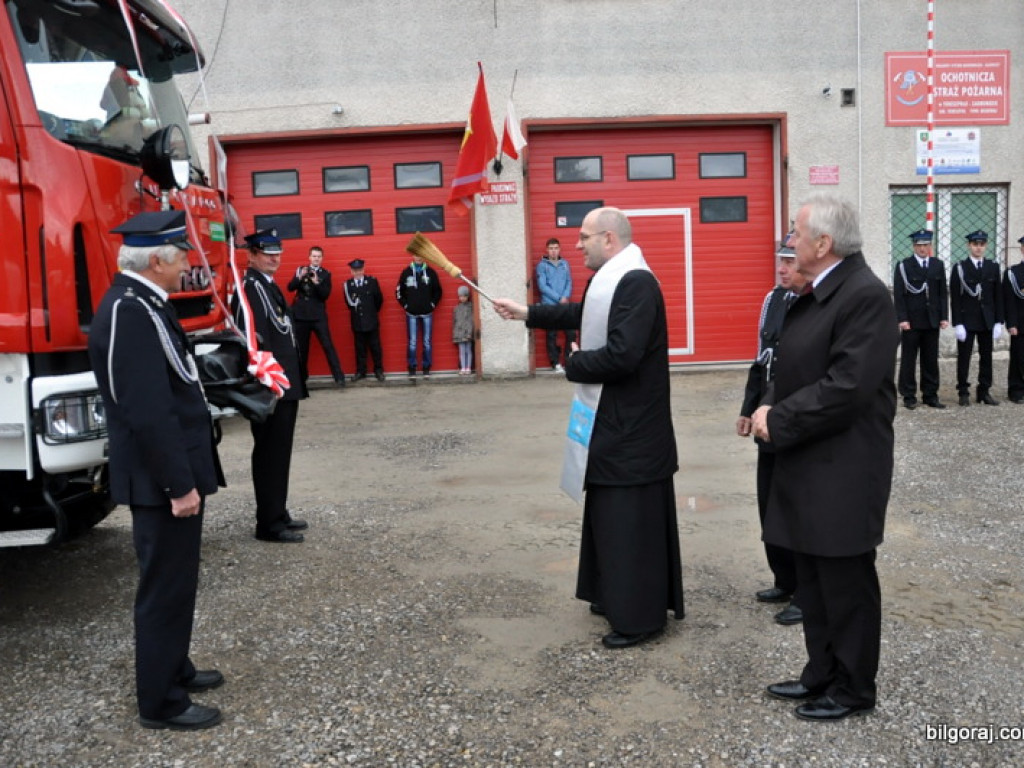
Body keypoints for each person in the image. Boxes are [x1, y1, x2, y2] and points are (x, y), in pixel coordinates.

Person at [493, 206, 684, 649]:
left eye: (583, 237)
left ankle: (639, 617)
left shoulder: (636, 282)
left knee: (630, 522)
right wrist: (526, 313)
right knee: (608, 516)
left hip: (633, 431)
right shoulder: (612, 276)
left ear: (609, 240)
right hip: (612, 424)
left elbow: (623, 354)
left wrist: (574, 362)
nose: (576, 245)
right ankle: (613, 594)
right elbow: (583, 313)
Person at [751, 193, 898, 722]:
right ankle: (821, 675)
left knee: (845, 583)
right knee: (812, 580)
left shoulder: (864, 296)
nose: (789, 240)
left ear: (823, 242)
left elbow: (847, 387)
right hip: (808, 460)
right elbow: (790, 366)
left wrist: (780, 419)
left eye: (795, 231)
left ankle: (854, 688)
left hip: (844, 467)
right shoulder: (815, 293)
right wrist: (767, 403)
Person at [88, 210, 225, 730]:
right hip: (159, 480)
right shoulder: (128, 309)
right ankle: (160, 702)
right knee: (164, 586)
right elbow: (145, 409)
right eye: (182, 253)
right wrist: (178, 482)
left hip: (171, 472)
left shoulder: (144, 302)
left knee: (178, 579)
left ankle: (176, 667)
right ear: (160, 260)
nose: (188, 261)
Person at [736, 235, 803, 626]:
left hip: (793, 416)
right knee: (769, 502)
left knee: (797, 506)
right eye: (780, 260)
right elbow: (761, 360)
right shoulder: (772, 300)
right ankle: (785, 578)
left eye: (790, 262)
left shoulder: (813, 304)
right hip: (766, 418)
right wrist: (748, 407)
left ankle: (807, 593)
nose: (782, 269)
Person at [233, 229, 309, 543]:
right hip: (271, 385)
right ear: (251, 254)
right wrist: (266, 383)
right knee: (269, 453)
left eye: (278, 251)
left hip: (284, 383)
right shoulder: (251, 287)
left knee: (279, 453)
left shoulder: (267, 284)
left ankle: (278, 512)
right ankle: (268, 523)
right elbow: (253, 338)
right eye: (267, 252)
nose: (274, 257)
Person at [893, 229, 948, 409]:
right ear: (914, 246)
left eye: (926, 245)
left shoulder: (937, 265)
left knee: (930, 359)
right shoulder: (904, 266)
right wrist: (902, 318)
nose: (922, 248)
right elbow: (899, 295)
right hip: (912, 320)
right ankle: (908, 395)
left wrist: (944, 317)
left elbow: (941, 294)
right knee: (909, 359)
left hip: (932, 319)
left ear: (930, 246)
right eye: (919, 245)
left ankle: (930, 394)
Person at [949, 230, 1003, 406]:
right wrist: (957, 323)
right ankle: (963, 391)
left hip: (987, 319)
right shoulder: (960, 268)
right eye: (975, 244)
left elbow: (998, 296)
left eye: (982, 245)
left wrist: (998, 321)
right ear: (969, 246)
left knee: (986, 357)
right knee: (964, 357)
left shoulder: (993, 267)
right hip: (967, 320)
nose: (978, 248)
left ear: (985, 246)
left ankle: (984, 391)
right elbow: (955, 298)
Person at [286, 245, 346, 386]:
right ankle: (302, 378)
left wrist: (316, 282)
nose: (316, 259)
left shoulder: (326, 274)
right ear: (309, 257)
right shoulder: (301, 270)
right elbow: (290, 287)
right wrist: (299, 277)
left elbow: (325, 295)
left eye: (318, 256)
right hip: (301, 315)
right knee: (302, 348)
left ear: (322, 259)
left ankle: (339, 377)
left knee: (328, 345)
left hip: (318, 315)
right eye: (314, 256)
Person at [396, 252, 442, 377]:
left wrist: (432, 305)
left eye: (421, 254)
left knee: (427, 342)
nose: (419, 257)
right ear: (412, 256)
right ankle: (412, 367)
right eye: (416, 254)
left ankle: (426, 367)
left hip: (427, 313)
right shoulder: (406, 273)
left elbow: (438, 291)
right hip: (411, 314)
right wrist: (406, 305)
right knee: (412, 342)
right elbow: (399, 292)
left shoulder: (431, 273)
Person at [535, 237, 575, 371]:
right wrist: (559, 298)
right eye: (551, 248)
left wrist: (565, 296)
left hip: (564, 304)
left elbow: (569, 281)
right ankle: (555, 363)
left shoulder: (565, 264)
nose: (553, 251)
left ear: (559, 249)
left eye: (556, 248)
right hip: (550, 305)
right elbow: (542, 286)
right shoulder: (542, 265)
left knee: (571, 333)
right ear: (547, 250)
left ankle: (569, 361)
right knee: (552, 334)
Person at [343, 258, 385, 382]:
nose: (358, 272)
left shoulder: (372, 282)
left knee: (375, 347)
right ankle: (361, 371)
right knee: (360, 349)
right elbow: (349, 304)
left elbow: (379, 300)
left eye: (360, 269)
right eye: (355, 270)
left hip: (371, 320)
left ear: (363, 269)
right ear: (351, 271)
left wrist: (371, 312)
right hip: (358, 322)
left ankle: (378, 370)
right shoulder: (347, 285)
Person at [1003, 235, 1024, 403]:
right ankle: (1016, 390)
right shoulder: (1013, 273)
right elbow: (1009, 301)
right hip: (1020, 322)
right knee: (1018, 357)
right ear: (1022, 250)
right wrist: (1011, 323)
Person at [452, 284, 476, 374]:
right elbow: (455, 322)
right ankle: (463, 367)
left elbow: (471, 321)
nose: (461, 298)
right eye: (460, 296)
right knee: (462, 351)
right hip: (459, 334)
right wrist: (455, 334)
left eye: (463, 296)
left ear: (467, 296)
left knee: (468, 350)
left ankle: (468, 367)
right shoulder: (457, 308)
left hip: (468, 333)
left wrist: (470, 333)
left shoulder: (471, 308)